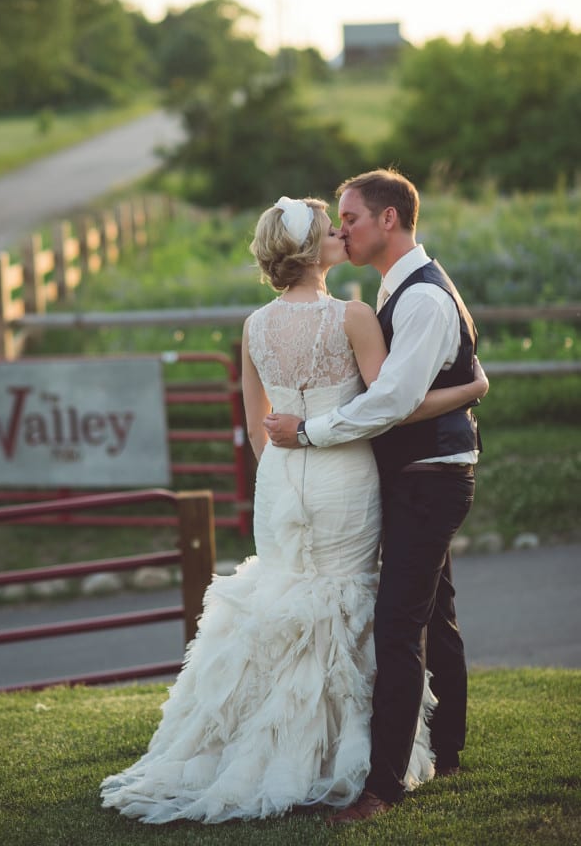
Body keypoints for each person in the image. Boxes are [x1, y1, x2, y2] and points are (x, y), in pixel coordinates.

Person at [100, 194, 487, 825]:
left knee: (284, 598)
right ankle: (340, 755)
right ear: (315, 252)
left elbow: (258, 428)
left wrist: (282, 470)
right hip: (344, 473)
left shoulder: (254, 326)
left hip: (280, 474)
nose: (341, 232)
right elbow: (393, 403)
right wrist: (471, 388)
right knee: (343, 598)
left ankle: (263, 744)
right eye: (332, 228)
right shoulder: (355, 315)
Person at [265, 171, 484, 823]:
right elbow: (418, 391)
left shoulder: (422, 301)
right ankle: (447, 750)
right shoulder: (400, 288)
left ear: (388, 220)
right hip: (426, 472)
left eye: (351, 217)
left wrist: (310, 432)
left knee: (397, 625)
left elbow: (392, 401)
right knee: (435, 616)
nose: (343, 229)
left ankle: (381, 789)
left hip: (431, 477)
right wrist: (472, 389)